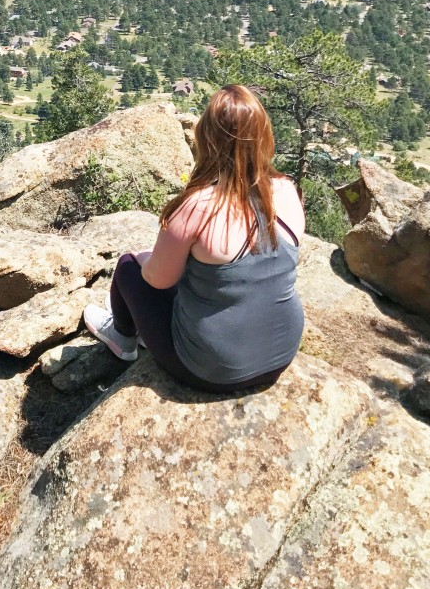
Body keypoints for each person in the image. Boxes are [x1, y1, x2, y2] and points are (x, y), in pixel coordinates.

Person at [84, 84, 305, 393]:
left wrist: (144, 257)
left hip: (211, 368)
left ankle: (121, 338)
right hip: (280, 356)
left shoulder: (197, 207)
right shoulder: (285, 190)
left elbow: (157, 280)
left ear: (207, 140)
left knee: (127, 268)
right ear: (264, 137)